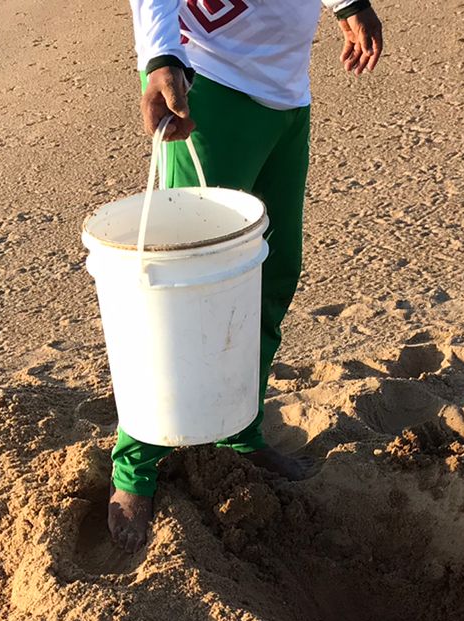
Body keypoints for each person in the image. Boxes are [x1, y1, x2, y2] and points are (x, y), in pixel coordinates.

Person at [108, 0, 384, 551]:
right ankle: (135, 464)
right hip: (210, 81)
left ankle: (240, 428)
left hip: (287, 91)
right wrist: (160, 54)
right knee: (182, 290)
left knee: (272, 273)